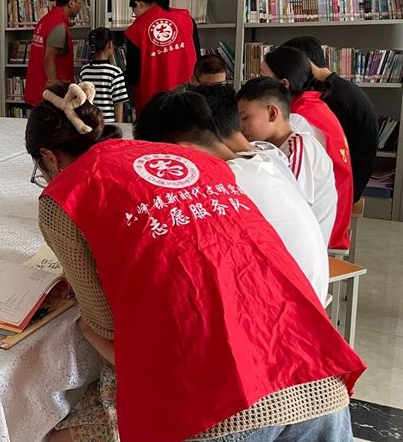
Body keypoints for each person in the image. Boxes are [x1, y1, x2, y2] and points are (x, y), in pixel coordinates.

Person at [27, 86, 363, 442]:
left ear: (49, 158)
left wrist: (85, 323)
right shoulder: (194, 161)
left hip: (207, 402)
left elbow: (106, 327)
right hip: (310, 368)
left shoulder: (65, 194)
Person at [134, 88, 328, 304]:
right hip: (305, 299)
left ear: (180, 152)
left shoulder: (222, 185)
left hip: (287, 309)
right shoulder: (259, 163)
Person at [262, 46, 352, 250]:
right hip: (334, 210)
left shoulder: (297, 121)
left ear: (283, 84)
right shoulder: (313, 104)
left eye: (262, 76)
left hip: (319, 228)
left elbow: (290, 195)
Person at [238, 77, 338, 245]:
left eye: (245, 118)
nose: (241, 127)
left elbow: (291, 206)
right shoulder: (274, 146)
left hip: (303, 246)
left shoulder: (299, 146)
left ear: (272, 113)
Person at [281, 36, 378, 202]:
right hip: (350, 176)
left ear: (305, 63)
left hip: (346, 184)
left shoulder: (333, 97)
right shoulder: (338, 87)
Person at [123, 0, 201, 112]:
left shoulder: (136, 30)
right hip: (189, 96)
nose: (135, 16)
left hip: (154, 103)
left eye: (134, 12)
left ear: (138, 4)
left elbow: (134, 75)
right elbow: (198, 57)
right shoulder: (185, 18)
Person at [24, 0, 87, 106]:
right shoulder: (58, 25)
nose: (81, 7)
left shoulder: (45, 20)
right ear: (71, 3)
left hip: (38, 91)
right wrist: (55, 89)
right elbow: (49, 58)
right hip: (51, 98)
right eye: (80, 3)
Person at [78, 27, 128, 123]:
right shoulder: (115, 72)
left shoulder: (84, 71)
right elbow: (118, 104)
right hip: (108, 124)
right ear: (110, 44)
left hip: (89, 123)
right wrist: (119, 125)